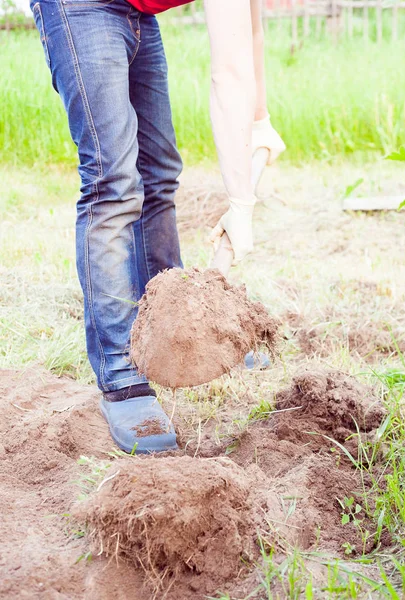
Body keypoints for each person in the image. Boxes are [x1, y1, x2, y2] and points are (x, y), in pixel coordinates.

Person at [30, 0, 285, 454]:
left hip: (136, 10)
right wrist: (241, 205)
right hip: (80, 7)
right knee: (114, 183)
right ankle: (122, 375)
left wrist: (260, 120)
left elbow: (248, 36)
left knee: (159, 172)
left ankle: (178, 331)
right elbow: (227, 74)